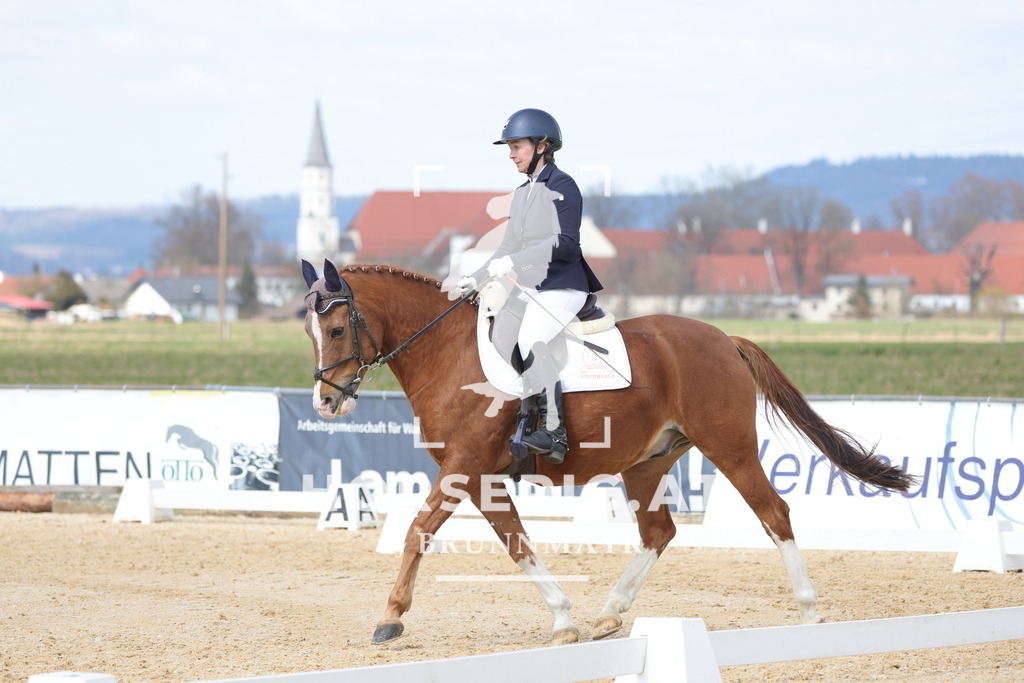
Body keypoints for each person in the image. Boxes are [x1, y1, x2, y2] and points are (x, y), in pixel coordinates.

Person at [455, 108, 602, 464]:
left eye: (517, 146)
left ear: (542, 146)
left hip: (564, 285)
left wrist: (515, 262)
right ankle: (533, 402)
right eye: (510, 147)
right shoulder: (522, 193)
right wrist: (478, 276)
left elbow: (566, 242)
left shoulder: (563, 186)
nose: (511, 154)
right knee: (501, 334)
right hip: (534, 287)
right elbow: (507, 247)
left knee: (530, 338)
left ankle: (554, 432)